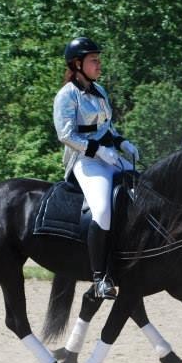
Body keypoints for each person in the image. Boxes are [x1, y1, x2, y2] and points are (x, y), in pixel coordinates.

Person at [53, 36, 139, 300]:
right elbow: (66, 135)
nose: (99, 64)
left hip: (108, 156)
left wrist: (123, 142)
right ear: (77, 64)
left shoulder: (99, 90)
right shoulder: (66, 95)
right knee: (101, 210)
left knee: (143, 190)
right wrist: (97, 150)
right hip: (85, 161)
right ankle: (100, 277)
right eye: (94, 60)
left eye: (99, 60)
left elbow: (106, 128)